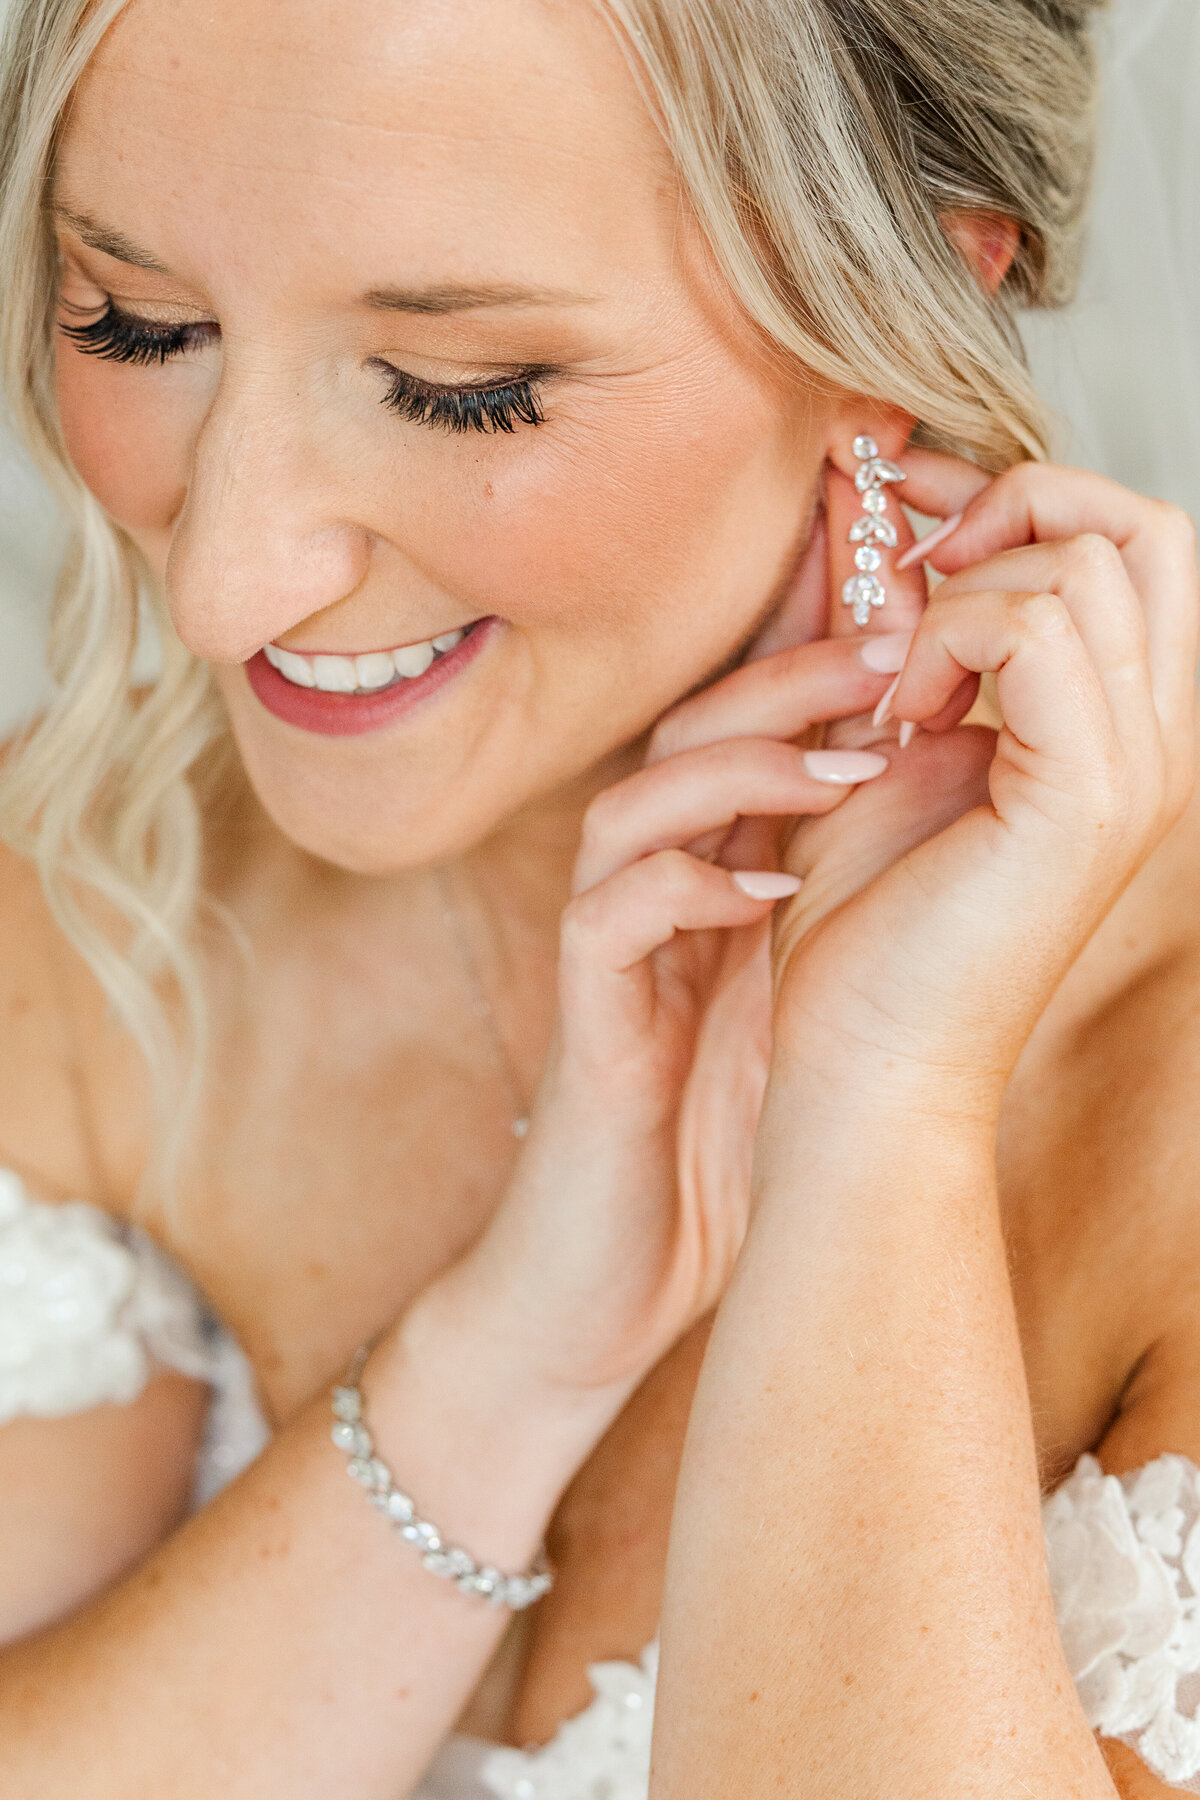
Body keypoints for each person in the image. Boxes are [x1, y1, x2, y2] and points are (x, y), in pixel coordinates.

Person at [0, 0, 1198, 1795]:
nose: (224, 588)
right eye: (139, 323)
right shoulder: (102, 891)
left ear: (893, 325)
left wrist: (879, 1111)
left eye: (459, 385)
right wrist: (506, 1361)